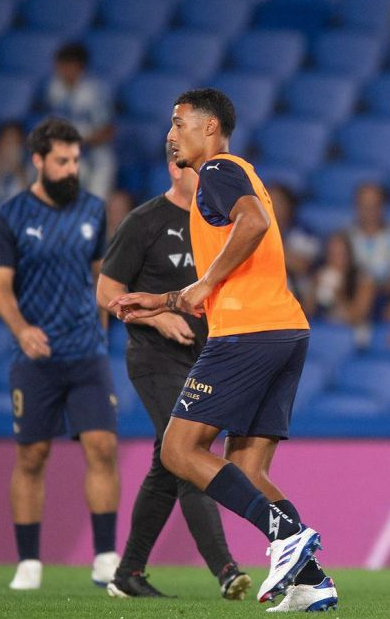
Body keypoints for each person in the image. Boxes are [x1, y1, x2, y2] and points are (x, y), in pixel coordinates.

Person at [106, 88, 338, 612]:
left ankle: (283, 532)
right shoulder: (237, 174)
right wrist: (164, 299)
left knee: (178, 449)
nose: (171, 134)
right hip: (285, 331)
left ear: (209, 128)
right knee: (249, 471)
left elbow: (252, 223)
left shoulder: (217, 170)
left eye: (179, 122)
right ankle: (310, 580)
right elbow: (233, 258)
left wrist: (206, 282)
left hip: (247, 334)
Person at [96, 143, 250, 600]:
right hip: (154, 358)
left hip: (203, 358)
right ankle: (225, 569)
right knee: (187, 454)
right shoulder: (143, 222)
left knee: (168, 461)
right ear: (172, 167)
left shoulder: (214, 224)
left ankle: (127, 574)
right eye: (192, 168)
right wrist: (157, 317)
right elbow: (107, 290)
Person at [0, 117, 120, 591]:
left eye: (76, 160)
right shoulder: (11, 217)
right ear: (39, 161)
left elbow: (102, 276)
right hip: (36, 357)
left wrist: (102, 329)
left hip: (87, 354)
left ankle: (106, 556)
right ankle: (29, 562)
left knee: (102, 448)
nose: (71, 169)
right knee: (32, 456)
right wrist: (21, 330)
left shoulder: (93, 210)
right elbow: (0, 287)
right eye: (62, 161)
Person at [44, 43, 116, 198]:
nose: (60, 70)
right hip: (69, 156)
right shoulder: (55, 87)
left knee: (94, 207)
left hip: (96, 158)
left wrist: (79, 142)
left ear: (77, 66)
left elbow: (108, 132)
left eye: (64, 65)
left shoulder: (95, 91)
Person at [347, 182, 390, 303]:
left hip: (388, 292)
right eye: (364, 206)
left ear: (383, 206)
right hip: (353, 292)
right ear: (357, 206)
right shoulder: (347, 236)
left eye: (374, 205)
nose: (369, 211)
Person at [305, 231, 376, 327]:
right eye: (332, 254)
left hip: (352, 335)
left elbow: (358, 318)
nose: (336, 259)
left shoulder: (363, 280)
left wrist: (338, 295)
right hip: (323, 331)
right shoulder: (319, 276)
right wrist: (314, 290)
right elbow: (305, 315)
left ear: (350, 254)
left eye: (341, 254)